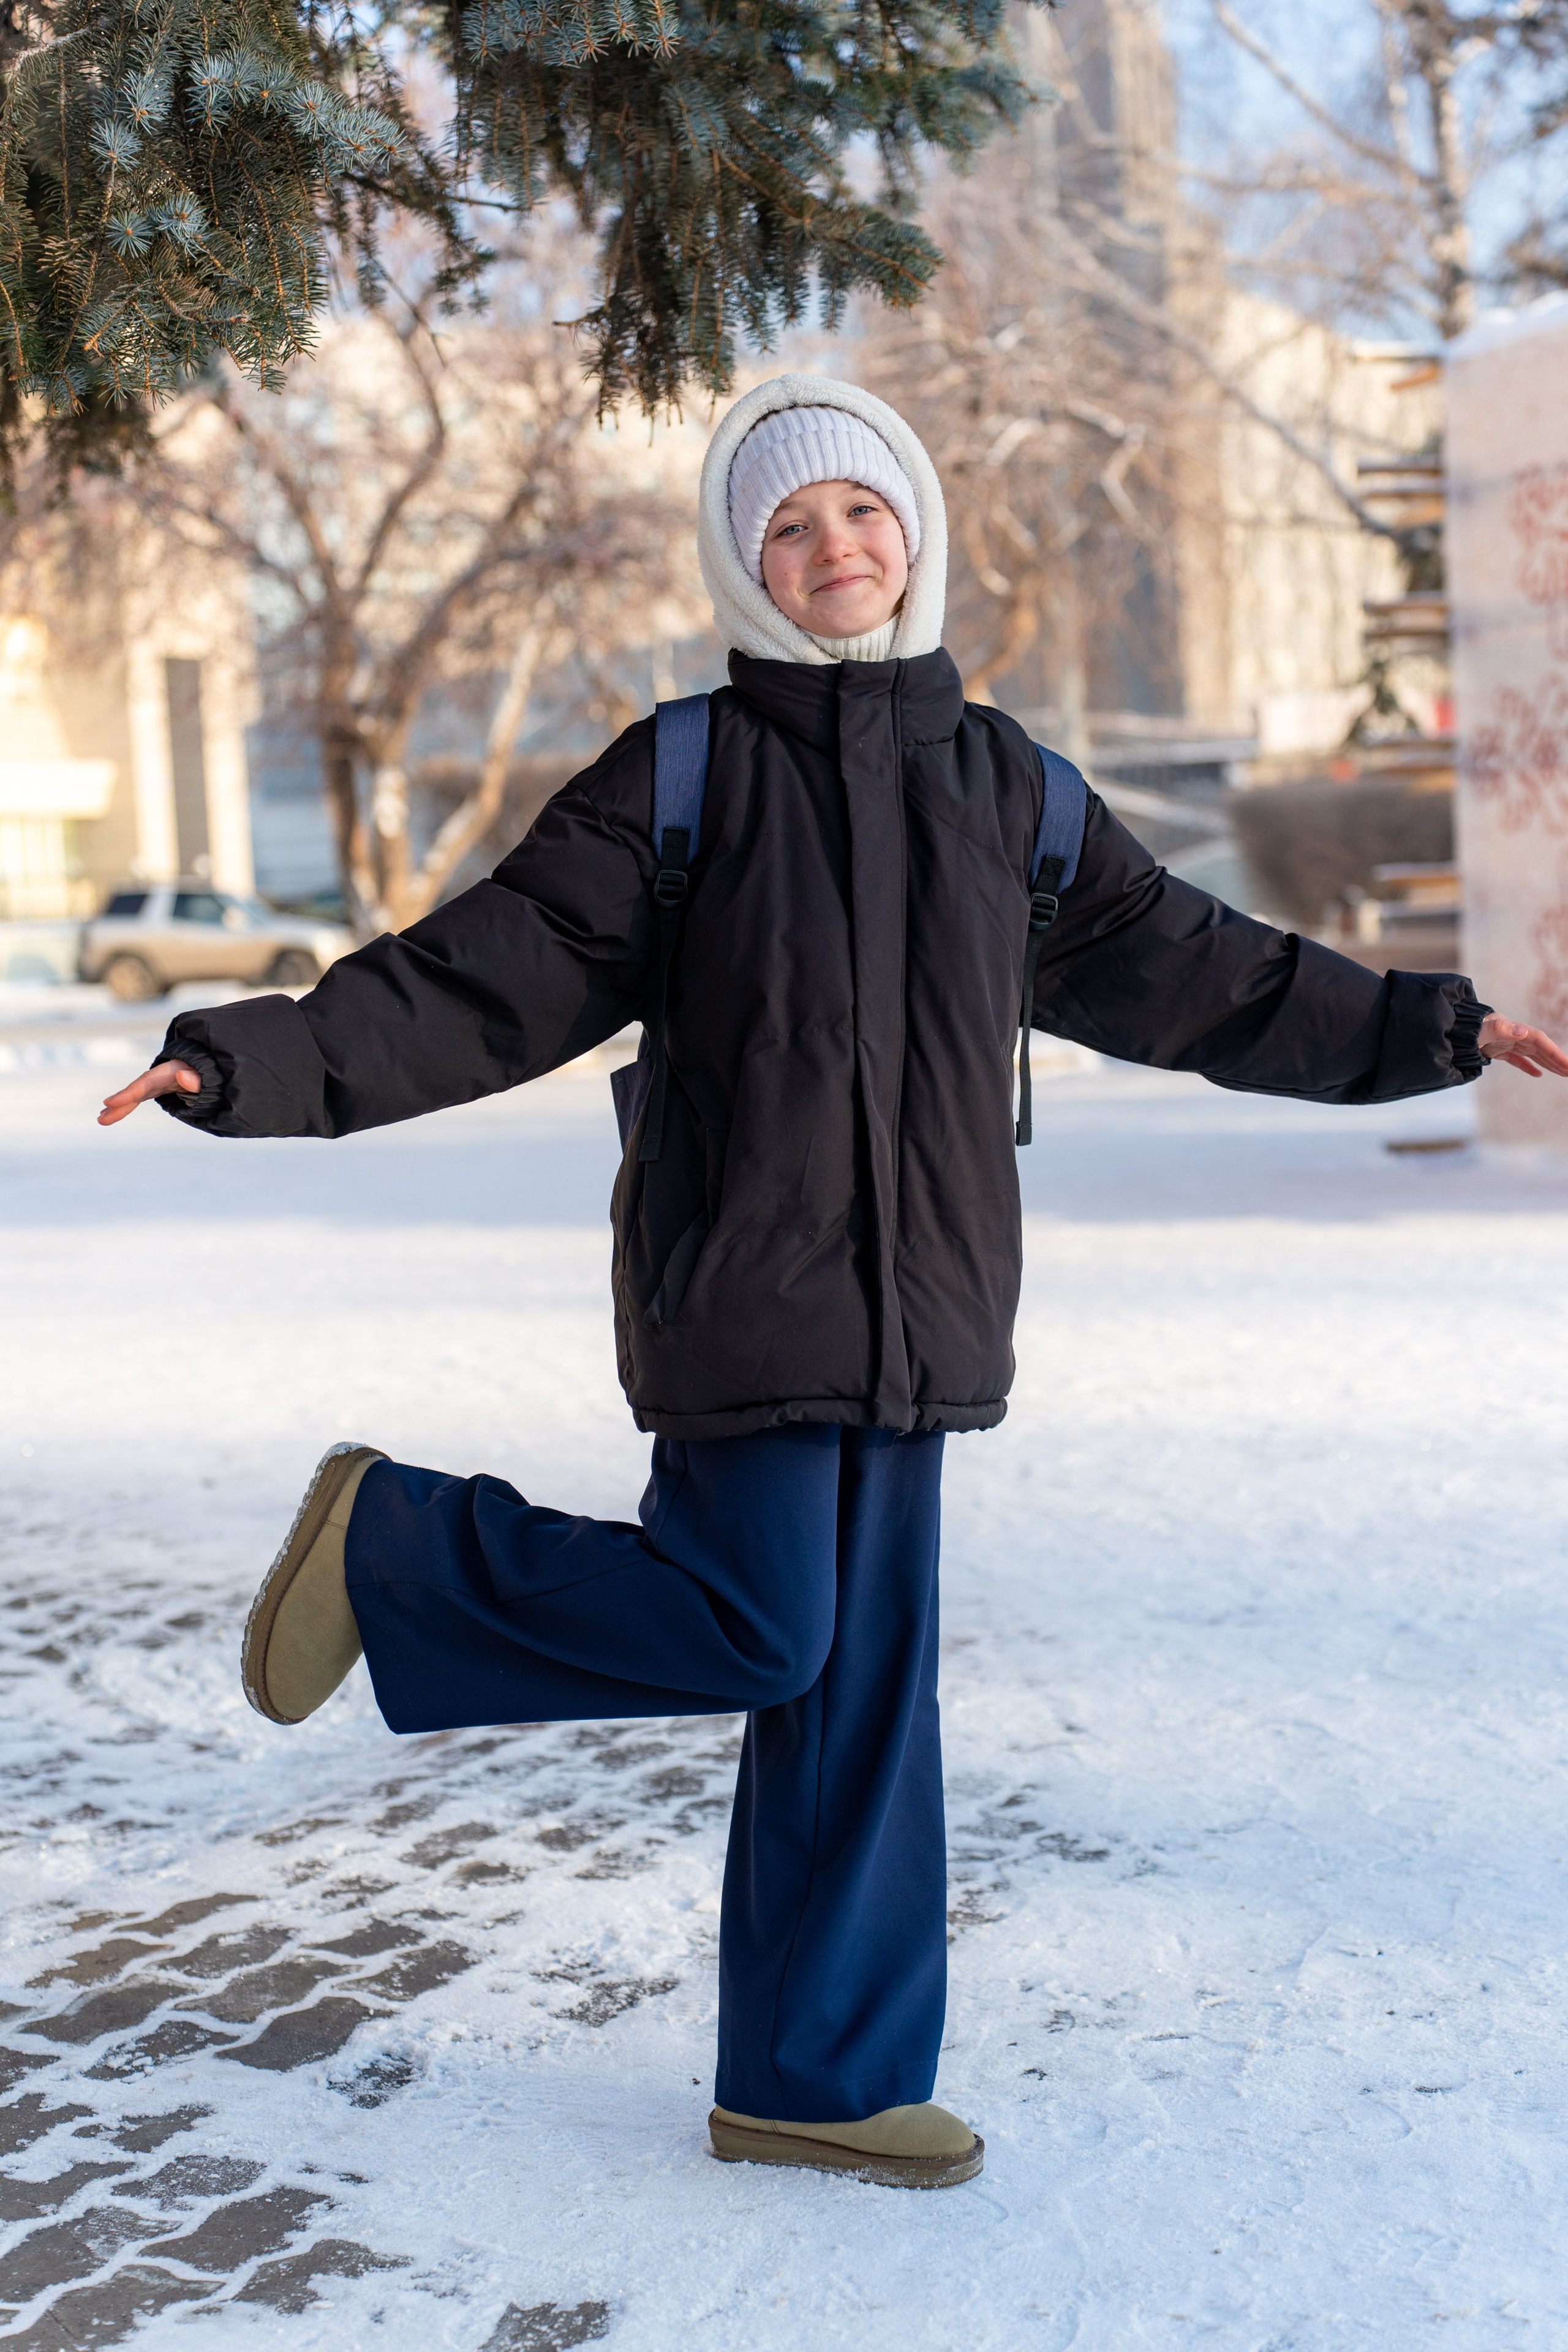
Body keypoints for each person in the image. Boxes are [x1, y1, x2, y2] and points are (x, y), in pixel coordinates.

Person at [100, 374, 1568, 2192]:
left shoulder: (1014, 792)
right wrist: (253, 1065)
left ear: (920, 532)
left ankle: (817, 2076)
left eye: (861, 513)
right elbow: (488, 975)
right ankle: (397, 1547)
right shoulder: (686, 775)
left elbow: (1212, 975)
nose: (833, 548)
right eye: (788, 526)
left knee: (862, 1698)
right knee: (764, 1628)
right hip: (747, 1292)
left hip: (930, 1310)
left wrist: (1425, 1026)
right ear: (744, 561)